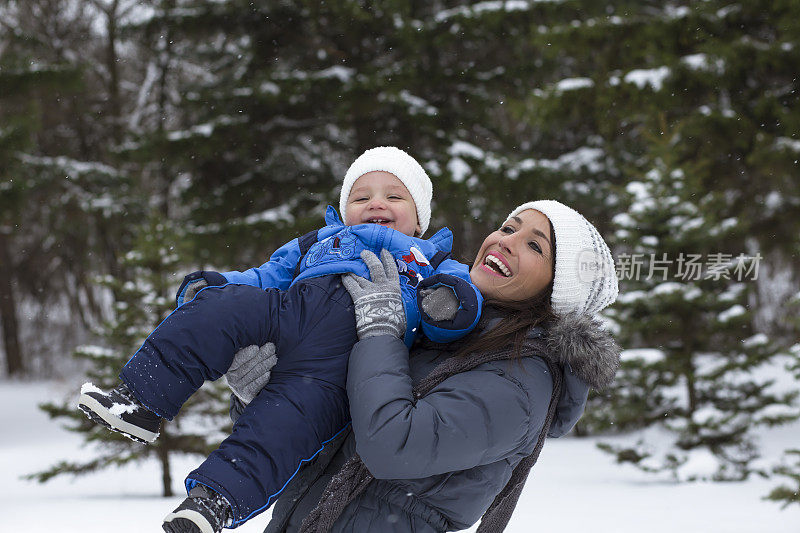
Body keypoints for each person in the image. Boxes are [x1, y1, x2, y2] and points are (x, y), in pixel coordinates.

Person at [76, 147, 484, 533]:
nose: (375, 204)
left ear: (419, 219)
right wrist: (218, 285)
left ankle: (212, 501)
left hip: (338, 368)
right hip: (287, 314)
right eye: (361, 196)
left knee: (278, 427)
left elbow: (463, 303)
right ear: (343, 211)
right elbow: (266, 275)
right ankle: (140, 401)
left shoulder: (432, 261)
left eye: (394, 195)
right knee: (220, 307)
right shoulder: (319, 241)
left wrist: (448, 303)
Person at [227, 199, 621, 533]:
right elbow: (332, 434)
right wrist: (264, 397)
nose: (506, 242)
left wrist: (380, 331)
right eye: (507, 227)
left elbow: (390, 446)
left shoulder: (521, 382)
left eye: (535, 246)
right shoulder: (442, 332)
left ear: (559, 288)